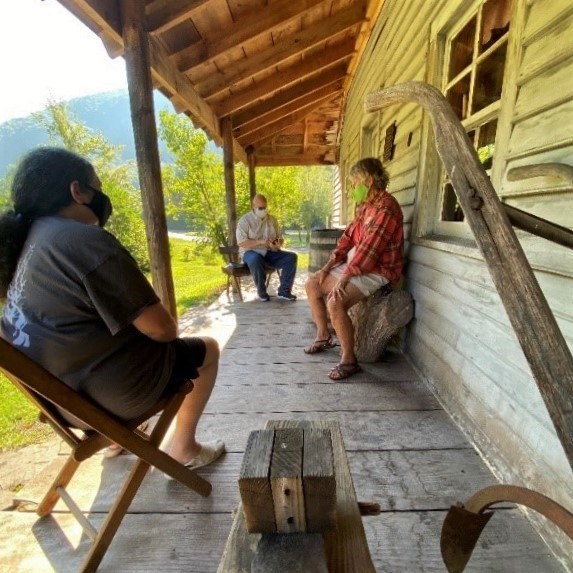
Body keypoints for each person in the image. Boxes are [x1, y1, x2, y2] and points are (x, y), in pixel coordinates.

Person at [0, 147, 225, 471]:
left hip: (63, 406)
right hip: (113, 397)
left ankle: (119, 440)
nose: (103, 200)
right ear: (78, 191)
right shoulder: (82, 240)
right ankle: (184, 448)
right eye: (99, 189)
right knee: (208, 349)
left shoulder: (25, 244)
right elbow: (162, 330)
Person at [304, 157, 404, 381]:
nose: (351, 188)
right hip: (357, 265)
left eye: (354, 182)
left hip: (378, 269)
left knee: (335, 301)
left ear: (368, 181)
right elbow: (347, 239)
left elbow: (370, 250)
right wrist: (327, 268)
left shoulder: (386, 207)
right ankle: (323, 337)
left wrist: (344, 278)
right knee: (312, 285)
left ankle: (349, 361)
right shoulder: (365, 206)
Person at [236, 193, 298, 301]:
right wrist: (259, 242)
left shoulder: (272, 220)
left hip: (269, 252)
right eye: (260, 208)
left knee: (291, 257)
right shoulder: (245, 221)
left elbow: (280, 237)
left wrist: (278, 243)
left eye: (265, 207)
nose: (263, 210)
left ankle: (284, 291)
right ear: (253, 207)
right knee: (256, 258)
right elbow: (241, 243)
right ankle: (262, 292)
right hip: (250, 252)